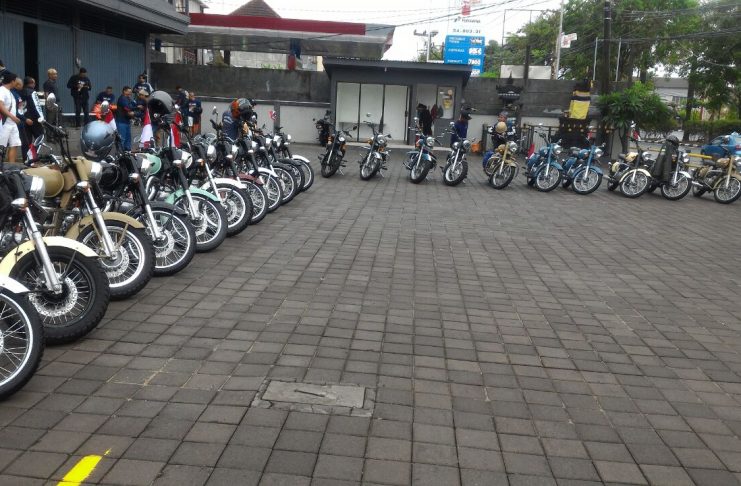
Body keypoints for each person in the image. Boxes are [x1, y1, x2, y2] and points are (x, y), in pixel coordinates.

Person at [0, 72, 22, 163]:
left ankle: (11, 166)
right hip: (4, 123)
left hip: (12, 123)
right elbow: (0, 105)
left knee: (14, 144)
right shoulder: (2, 90)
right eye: (15, 81)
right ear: (12, 81)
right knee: (1, 147)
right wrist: (13, 117)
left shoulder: (10, 92)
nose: (16, 83)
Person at [20, 77, 43, 161]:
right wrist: (41, 118)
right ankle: (34, 156)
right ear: (31, 83)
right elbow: (36, 106)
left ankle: (26, 158)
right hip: (34, 119)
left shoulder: (20, 92)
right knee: (40, 137)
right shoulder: (33, 92)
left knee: (26, 140)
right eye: (34, 83)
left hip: (24, 118)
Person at [115, 86, 137, 151]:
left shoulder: (128, 98)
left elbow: (134, 104)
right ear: (124, 91)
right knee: (122, 138)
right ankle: (120, 152)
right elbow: (128, 107)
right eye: (129, 91)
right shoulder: (122, 98)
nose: (130, 93)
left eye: (131, 92)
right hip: (121, 122)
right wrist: (136, 107)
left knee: (128, 138)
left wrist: (134, 105)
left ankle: (127, 151)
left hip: (127, 121)